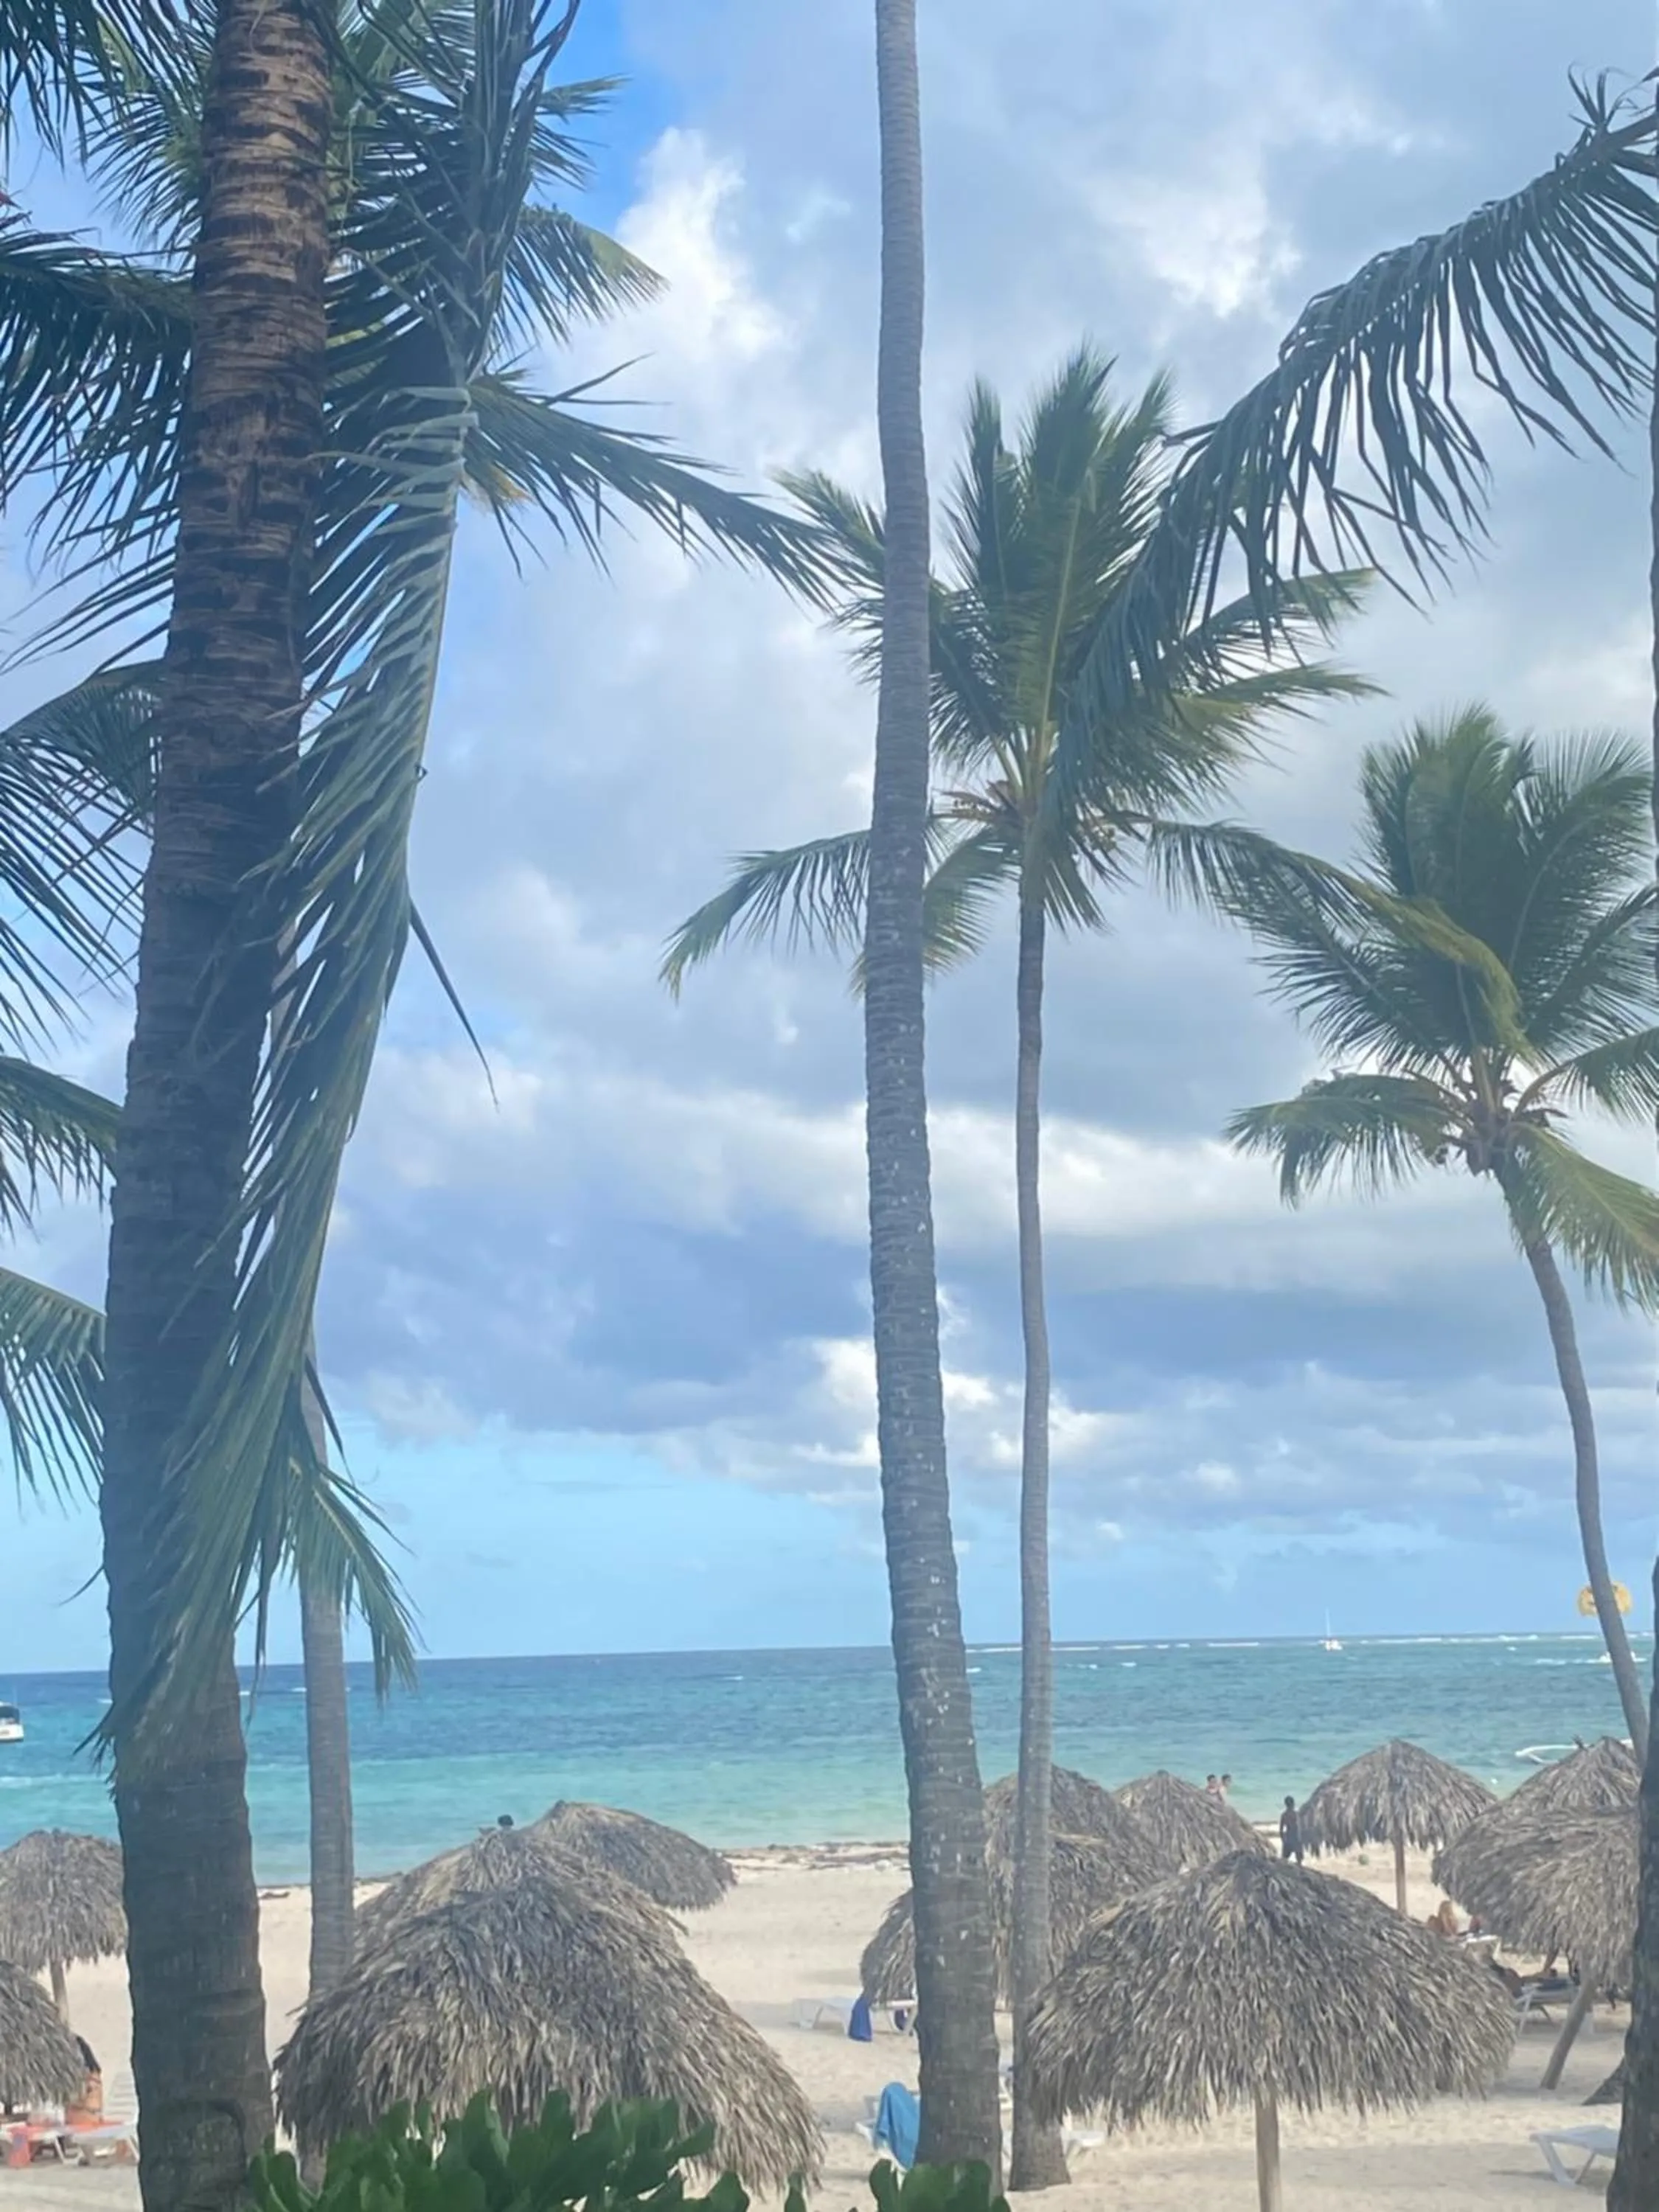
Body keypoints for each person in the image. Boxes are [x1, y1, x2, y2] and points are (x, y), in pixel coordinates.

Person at [1279, 1795, 1303, 1864]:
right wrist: (1300, 1838)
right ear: (1293, 1804)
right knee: (1299, 1860)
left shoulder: (1284, 1815)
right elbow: (1299, 1827)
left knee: (1284, 1859)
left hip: (1288, 1836)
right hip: (1295, 1836)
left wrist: (1283, 1839)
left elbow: (1281, 1829)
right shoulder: (1296, 1814)